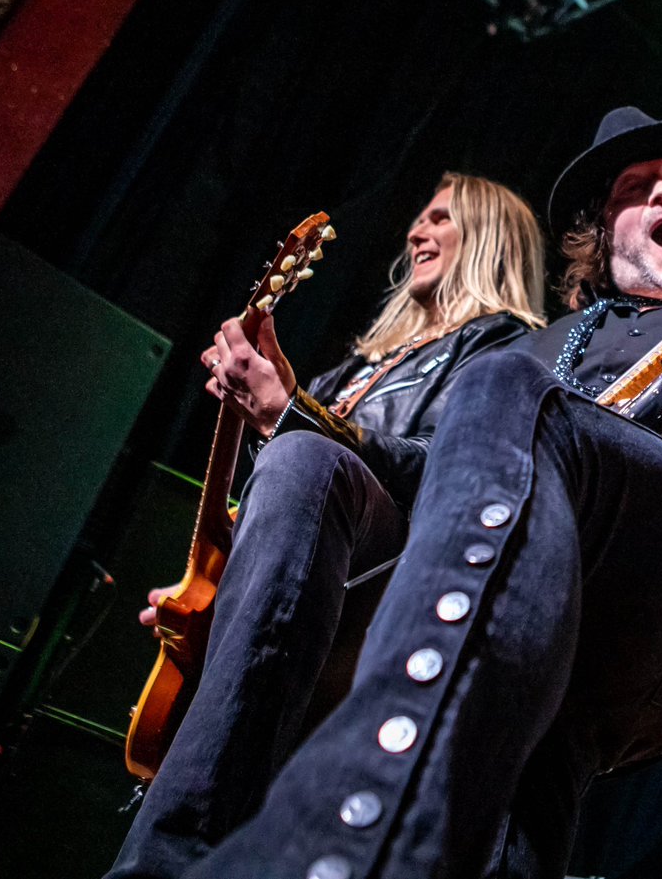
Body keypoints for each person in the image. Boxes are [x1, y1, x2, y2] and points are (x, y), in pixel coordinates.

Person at [122, 105, 662, 879]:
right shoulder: (540, 350)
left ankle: (349, 831)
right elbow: (423, 477)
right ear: (596, 227)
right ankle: (169, 852)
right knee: (305, 464)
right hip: (543, 592)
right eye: (636, 185)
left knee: (508, 392)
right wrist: (284, 426)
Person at [107, 172, 546, 879]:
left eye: (440, 217)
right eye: (418, 217)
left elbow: (453, 469)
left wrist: (295, 417)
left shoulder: (506, 347)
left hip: (388, 585)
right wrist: (223, 589)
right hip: (319, 586)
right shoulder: (357, 366)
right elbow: (284, 497)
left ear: (488, 237)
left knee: (304, 456)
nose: (414, 231)